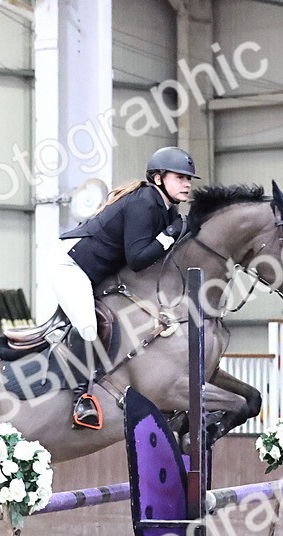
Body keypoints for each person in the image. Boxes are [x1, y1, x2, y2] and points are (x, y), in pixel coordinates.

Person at [53, 146, 199, 429]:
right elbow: (137, 259)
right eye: (180, 177)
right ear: (158, 178)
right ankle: (81, 399)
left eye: (188, 179)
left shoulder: (166, 208)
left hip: (100, 268)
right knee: (88, 326)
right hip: (71, 264)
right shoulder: (144, 202)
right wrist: (170, 234)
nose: (187, 184)